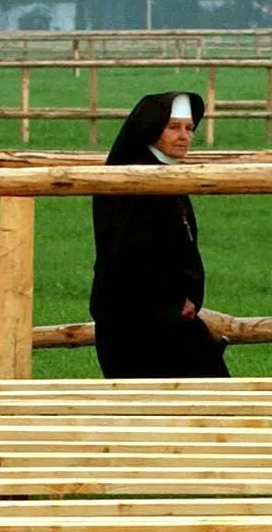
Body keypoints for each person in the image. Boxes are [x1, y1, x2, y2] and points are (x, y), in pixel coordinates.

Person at [89, 91, 230, 378]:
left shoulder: (166, 174)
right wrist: (173, 303)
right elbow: (125, 255)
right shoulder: (135, 178)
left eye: (189, 128)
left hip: (168, 322)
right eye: (173, 127)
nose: (184, 137)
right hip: (136, 327)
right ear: (152, 130)